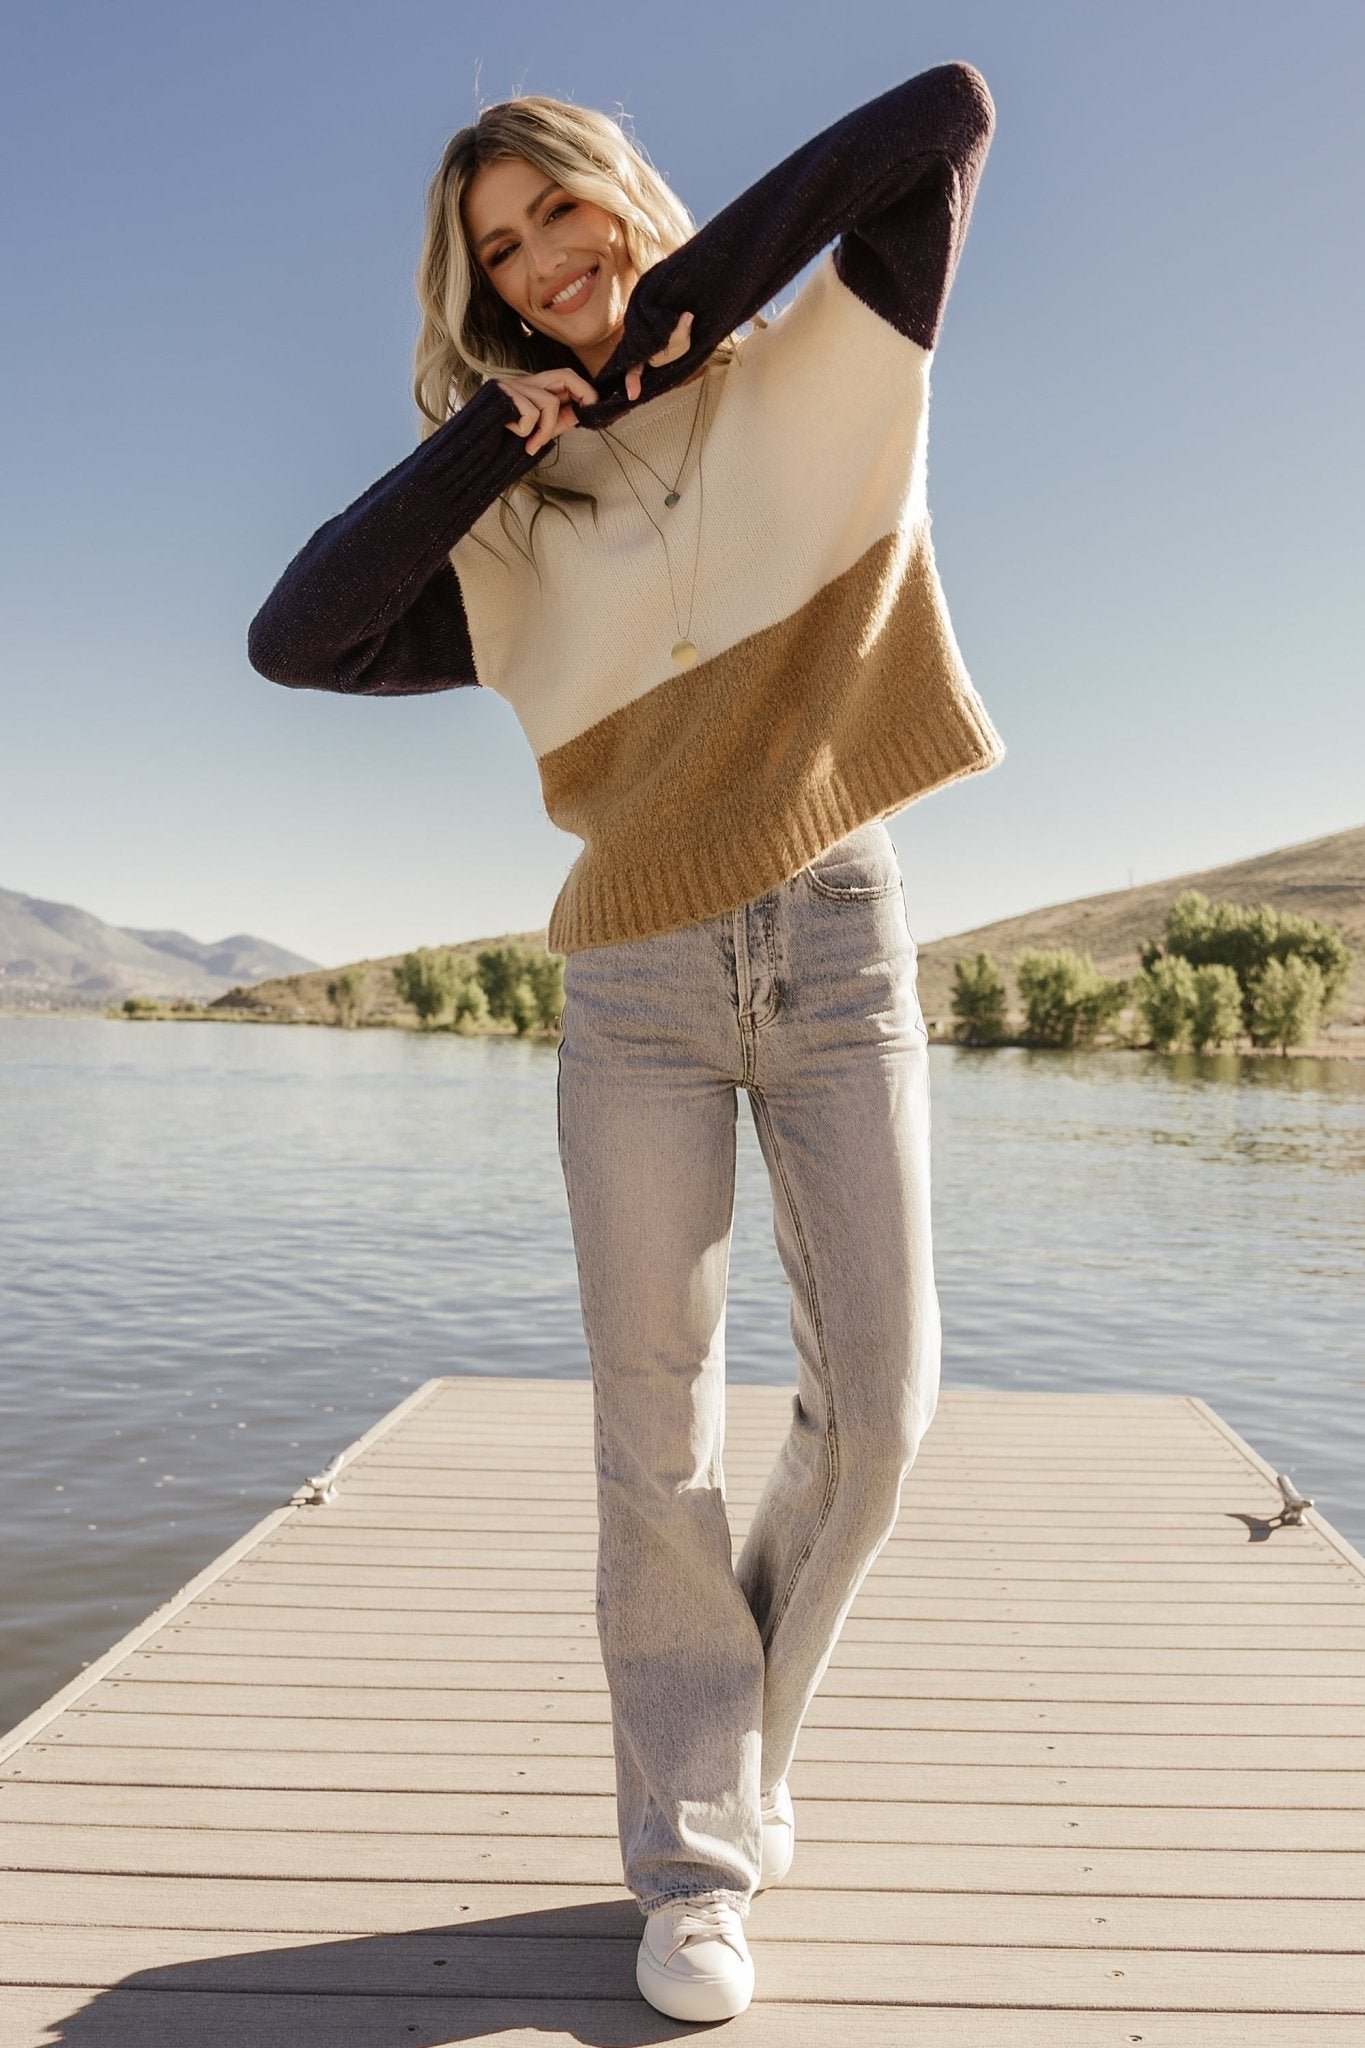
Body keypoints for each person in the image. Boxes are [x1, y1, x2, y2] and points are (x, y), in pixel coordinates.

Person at [248, 57, 1002, 2024]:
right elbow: (298, 635)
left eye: (554, 211)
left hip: (839, 945)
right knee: (654, 1439)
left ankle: (739, 1749)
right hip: (637, 987)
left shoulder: (832, 359)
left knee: (883, 1408)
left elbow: (939, 114)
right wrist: (490, 439)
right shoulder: (511, 525)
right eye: (499, 253)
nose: (538, 263)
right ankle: (693, 1862)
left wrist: (676, 304)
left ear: (615, 191)